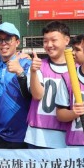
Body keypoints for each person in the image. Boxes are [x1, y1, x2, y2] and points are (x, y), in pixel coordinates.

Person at [25, 21, 70, 149]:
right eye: (45, 41)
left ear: (66, 40)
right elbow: (38, 95)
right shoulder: (37, 66)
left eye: (54, 40)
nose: (49, 45)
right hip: (37, 137)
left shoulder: (76, 69)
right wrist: (33, 71)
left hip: (65, 137)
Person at [0, 22, 32, 148]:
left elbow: (31, 95)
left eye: (7, 39)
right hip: (0, 133)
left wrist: (20, 73)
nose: (3, 43)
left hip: (24, 134)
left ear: (17, 42)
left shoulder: (27, 65)